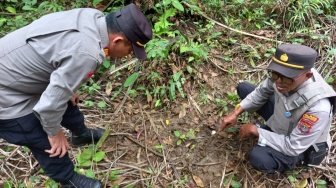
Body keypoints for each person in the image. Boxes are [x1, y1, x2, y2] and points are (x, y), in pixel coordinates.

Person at [0, 3, 152, 187]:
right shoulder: (87, 52)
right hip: (7, 95)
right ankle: (68, 180)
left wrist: (71, 83)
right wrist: (55, 133)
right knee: (39, 133)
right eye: (130, 50)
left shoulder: (94, 18)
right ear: (117, 41)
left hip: (19, 74)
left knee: (67, 97)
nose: (129, 55)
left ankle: (80, 134)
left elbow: (63, 53)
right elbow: (48, 107)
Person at [217, 44, 336, 173]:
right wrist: (236, 113)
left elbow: (293, 146)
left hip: (300, 145)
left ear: (307, 76)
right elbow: (262, 91)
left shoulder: (318, 108)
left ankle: (291, 160)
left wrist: (257, 131)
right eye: (275, 74)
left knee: (259, 158)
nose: (278, 81)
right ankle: (270, 130)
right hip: (283, 118)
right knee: (244, 88)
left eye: (286, 77)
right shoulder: (284, 76)